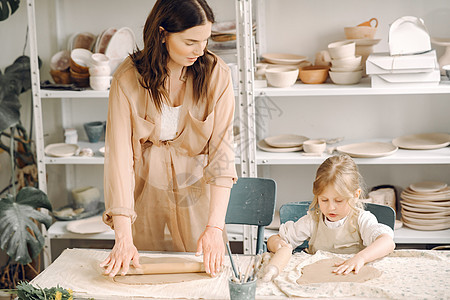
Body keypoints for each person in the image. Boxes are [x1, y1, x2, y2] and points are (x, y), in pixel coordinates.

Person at [100, 0, 237, 278]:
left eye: (205, 40)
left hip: (197, 195)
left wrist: (214, 228)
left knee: (204, 276)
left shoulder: (216, 74)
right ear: (162, 34)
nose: (200, 50)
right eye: (190, 42)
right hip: (142, 196)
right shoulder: (127, 79)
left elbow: (222, 154)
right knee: (142, 274)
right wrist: (123, 237)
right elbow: (119, 159)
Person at [267, 154, 395, 275]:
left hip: (351, 277)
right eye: (324, 200)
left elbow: (387, 242)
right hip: (318, 278)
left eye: (339, 201)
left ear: (356, 195)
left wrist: (360, 258)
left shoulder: (362, 219)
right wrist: (279, 245)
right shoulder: (312, 221)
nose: (331, 207)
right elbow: (274, 239)